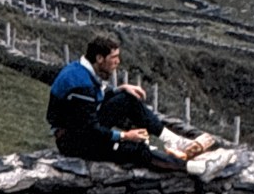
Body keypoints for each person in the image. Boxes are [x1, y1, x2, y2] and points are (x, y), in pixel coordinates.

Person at [47, 35, 212, 172]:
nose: (118, 62)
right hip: (74, 141)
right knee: (134, 148)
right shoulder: (80, 84)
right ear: (99, 58)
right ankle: (193, 168)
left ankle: (173, 140)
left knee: (128, 99)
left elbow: (96, 95)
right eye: (113, 58)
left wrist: (119, 89)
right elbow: (89, 129)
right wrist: (125, 135)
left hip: (79, 129)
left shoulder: (80, 69)